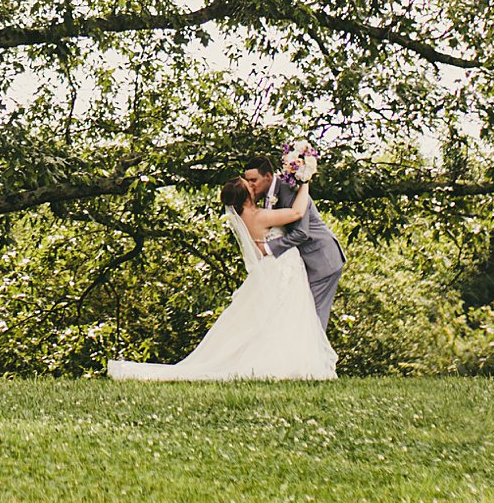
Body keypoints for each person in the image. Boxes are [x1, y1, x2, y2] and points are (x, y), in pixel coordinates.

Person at [106, 157, 337, 381]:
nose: (253, 186)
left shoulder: (249, 215)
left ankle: (298, 361)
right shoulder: (257, 215)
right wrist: (305, 181)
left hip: (281, 268)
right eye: (249, 185)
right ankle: (299, 363)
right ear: (246, 195)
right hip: (282, 267)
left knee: (283, 316)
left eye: (253, 181)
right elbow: (297, 214)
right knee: (289, 314)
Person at [244, 152, 347, 329]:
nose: (250, 186)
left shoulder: (288, 189)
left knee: (312, 320)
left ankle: (315, 356)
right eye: (248, 181)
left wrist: (267, 248)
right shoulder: (268, 195)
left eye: (253, 180)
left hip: (321, 259)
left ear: (268, 176)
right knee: (299, 318)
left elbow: (301, 233)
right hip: (303, 263)